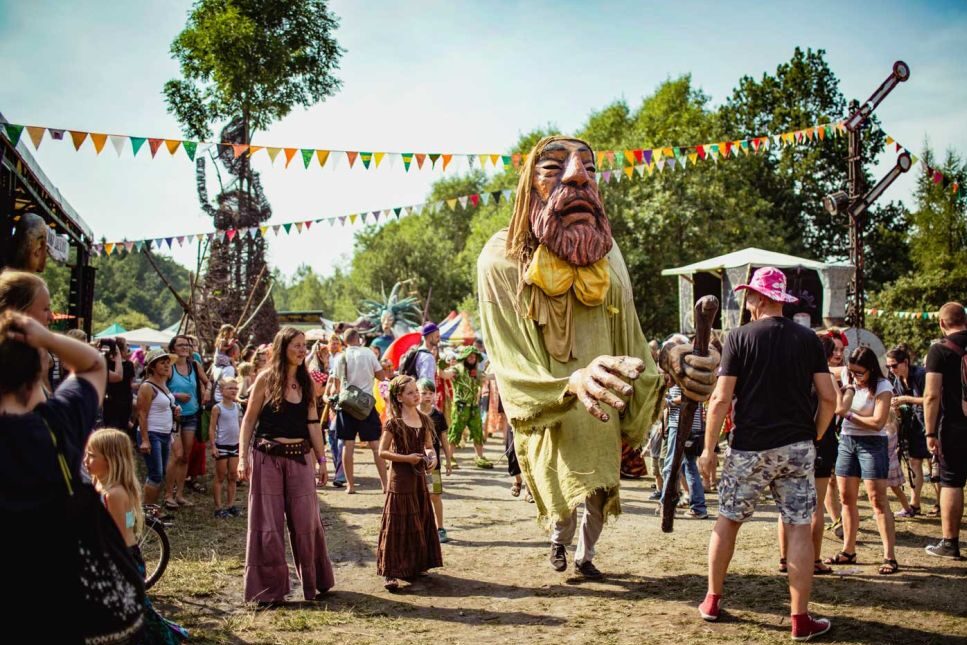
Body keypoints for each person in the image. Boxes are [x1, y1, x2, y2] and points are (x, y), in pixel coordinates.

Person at [477, 136, 715, 579]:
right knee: (563, 500)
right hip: (554, 417)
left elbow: (633, 344)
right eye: (553, 169)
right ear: (530, 188)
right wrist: (571, 383)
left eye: (588, 167)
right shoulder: (502, 258)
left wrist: (672, 362)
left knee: (601, 496)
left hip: (605, 413)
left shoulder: (609, 255)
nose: (577, 177)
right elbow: (511, 365)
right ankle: (559, 543)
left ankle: (585, 557)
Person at [697, 267, 836, 641]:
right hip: (796, 447)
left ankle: (712, 601)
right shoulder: (808, 339)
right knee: (799, 527)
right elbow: (829, 397)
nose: (747, 301)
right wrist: (815, 434)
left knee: (728, 521)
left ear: (759, 298)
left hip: (749, 446)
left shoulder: (738, 337)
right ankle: (800, 619)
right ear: (781, 300)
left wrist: (708, 449)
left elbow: (721, 399)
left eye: (749, 295)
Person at [0, 310, 139, 641]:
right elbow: (93, 365)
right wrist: (46, 337)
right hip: (57, 594)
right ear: (35, 381)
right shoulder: (58, 423)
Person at [238, 327, 333, 603]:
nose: (302, 350)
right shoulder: (266, 379)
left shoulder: (306, 381)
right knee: (267, 523)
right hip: (267, 457)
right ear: (283, 347)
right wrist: (242, 457)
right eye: (297, 345)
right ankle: (268, 591)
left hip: (300, 457)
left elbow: (313, 423)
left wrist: (322, 460)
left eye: (304, 345)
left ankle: (314, 582)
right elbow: (249, 420)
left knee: (306, 522)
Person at [85, 428, 188, 643]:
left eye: (92, 455)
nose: (86, 460)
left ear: (110, 460)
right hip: (120, 556)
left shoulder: (114, 494)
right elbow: (129, 522)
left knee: (136, 615)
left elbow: (119, 535)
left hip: (121, 560)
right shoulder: (101, 485)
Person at [826, 346, 898, 575]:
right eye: (852, 371)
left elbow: (878, 422)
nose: (855, 376)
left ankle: (889, 556)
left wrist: (848, 415)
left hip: (873, 443)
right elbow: (824, 370)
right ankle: (848, 551)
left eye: (860, 373)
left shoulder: (883, 386)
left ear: (871, 370)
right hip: (847, 442)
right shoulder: (847, 375)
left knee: (878, 501)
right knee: (846, 498)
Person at [376, 376, 443, 590]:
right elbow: (382, 452)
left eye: (416, 391)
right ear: (399, 397)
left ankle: (416, 564)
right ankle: (390, 571)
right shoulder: (393, 422)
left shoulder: (424, 419)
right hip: (400, 480)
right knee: (397, 524)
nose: (416, 395)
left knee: (418, 519)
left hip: (418, 478)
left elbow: (429, 446)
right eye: (410, 392)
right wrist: (407, 458)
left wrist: (432, 457)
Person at [923, 302, 967, 558]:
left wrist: (929, 432)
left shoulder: (939, 350)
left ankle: (950, 543)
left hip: (954, 425)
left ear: (941, 323)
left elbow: (931, 395)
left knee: (951, 482)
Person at [330, 328, 392, 494]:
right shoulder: (368, 353)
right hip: (366, 405)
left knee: (347, 445)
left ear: (344, 341)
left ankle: (350, 486)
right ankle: (385, 485)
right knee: (375, 445)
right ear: (359, 339)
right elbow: (381, 377)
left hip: (346, 405)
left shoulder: (340, 357)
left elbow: (336, 385)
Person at [166, 334, 210, 507]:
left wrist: (207, 390)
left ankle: (179, 494)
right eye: (181, 345)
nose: (185, 347)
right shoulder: (169, 366)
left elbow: (208, 382)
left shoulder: (194, 365)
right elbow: (157, 388)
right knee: (175, 456)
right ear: (173, 348)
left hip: (192, 415)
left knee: (185, 456)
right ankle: (168, 495)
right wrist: (176, 395)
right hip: (173, 416)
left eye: (187, 345)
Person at [887, 345, 930, 517]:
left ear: (905, 362)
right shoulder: (897, 380)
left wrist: (905, 399)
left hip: (929, 421)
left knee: (934, 464)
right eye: (888, 366)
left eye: (894, 365)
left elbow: (930, 399)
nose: (891, 369)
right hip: (914, 424)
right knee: (914, 462)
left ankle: (940, 505)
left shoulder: (921, 374)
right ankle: (915, 504)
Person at [660, 371, 708, 519]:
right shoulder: (694, 373)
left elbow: (688, 397)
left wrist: (669, 402)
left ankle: (667, 506)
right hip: (692, 426)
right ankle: (698, 508)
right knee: (690, 467)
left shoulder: (682, 373)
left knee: (670, 467)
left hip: (680, 425)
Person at [136, 349, 180, 508]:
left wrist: (174, 410)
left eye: (168, 363)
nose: (167, 366)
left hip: (165, 434)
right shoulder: (147, 386)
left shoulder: (164, 385)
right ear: (153, 367)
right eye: (162, 363)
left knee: (160, 474)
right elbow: (142, 414)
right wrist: (145, 440)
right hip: (152, 433)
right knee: (155, 474)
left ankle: (153, 510)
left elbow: (161, 407)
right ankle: (147, 510)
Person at [417, 378, 454, 543]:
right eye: (424, 392)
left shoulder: (438, 415)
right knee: (417, 496)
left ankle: (440, 528)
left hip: (434, 464)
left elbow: (444, 439)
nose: (427, 396)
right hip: (415, 463)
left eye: (431, 393)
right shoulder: (412, 414)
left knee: (435, 495)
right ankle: (420, 528)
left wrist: (448, 459)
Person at [448, 345, 492, 468]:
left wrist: (502, 371)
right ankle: (449, 457)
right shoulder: (457, 370)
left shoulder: (476, 372)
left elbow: (489, 376)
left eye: (474, 356)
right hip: (460, 408)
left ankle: (480, 457)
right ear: (465, 357)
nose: (472, 358)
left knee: (478, 431)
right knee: (455, 431)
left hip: (474, 407)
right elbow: (445, 375)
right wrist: (440, 368)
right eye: (470, 356)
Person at [210, 377, 242, 518]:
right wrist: (213, 446)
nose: (233, 391)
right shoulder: (217, 408)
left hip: (235, 445)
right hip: (222, 445)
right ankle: (218, 507)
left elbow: (240, 424)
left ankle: (230, 505)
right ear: (221, 390)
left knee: (233, 476)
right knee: (220, 477)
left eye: (235, 388)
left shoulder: (237, 407)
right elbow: (212, 428)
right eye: (230, 388)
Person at [102, 336, 136, 436]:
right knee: (121, 429)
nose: (128, 348)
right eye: (126, 345)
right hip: (121, 402)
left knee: (111, 431)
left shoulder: (105, 363)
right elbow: (124, 380)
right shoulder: (129, 365)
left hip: (111, 402)